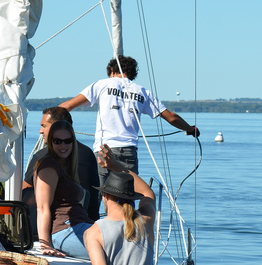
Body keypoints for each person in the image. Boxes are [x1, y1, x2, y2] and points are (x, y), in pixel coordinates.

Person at [59, 55, 200, 185]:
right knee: (126, 198)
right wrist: (190, 129)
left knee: (99, 197)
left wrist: (49, 125)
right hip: (128, 152)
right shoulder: (143, 92)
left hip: (103, 150)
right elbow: (171, 117)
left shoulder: (102, 85)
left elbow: (66, 107)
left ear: (112, 70)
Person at [23, 106, 100, 221]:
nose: (40, 131)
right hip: (90, 219)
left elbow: (26, 192)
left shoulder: (43, 157)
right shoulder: (88, 153)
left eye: (44, 126)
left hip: (61, 223)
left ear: (57, 127)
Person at [32, 119, 94, 258]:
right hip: (64, 231)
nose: (63, 145)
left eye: (67, 140)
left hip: (80, 225)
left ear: (73, 141)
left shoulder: (66, 166)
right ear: (50, 142)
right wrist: (45, 245)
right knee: (114, 250)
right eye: (57, 141)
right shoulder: (49, 166)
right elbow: (42, 207)